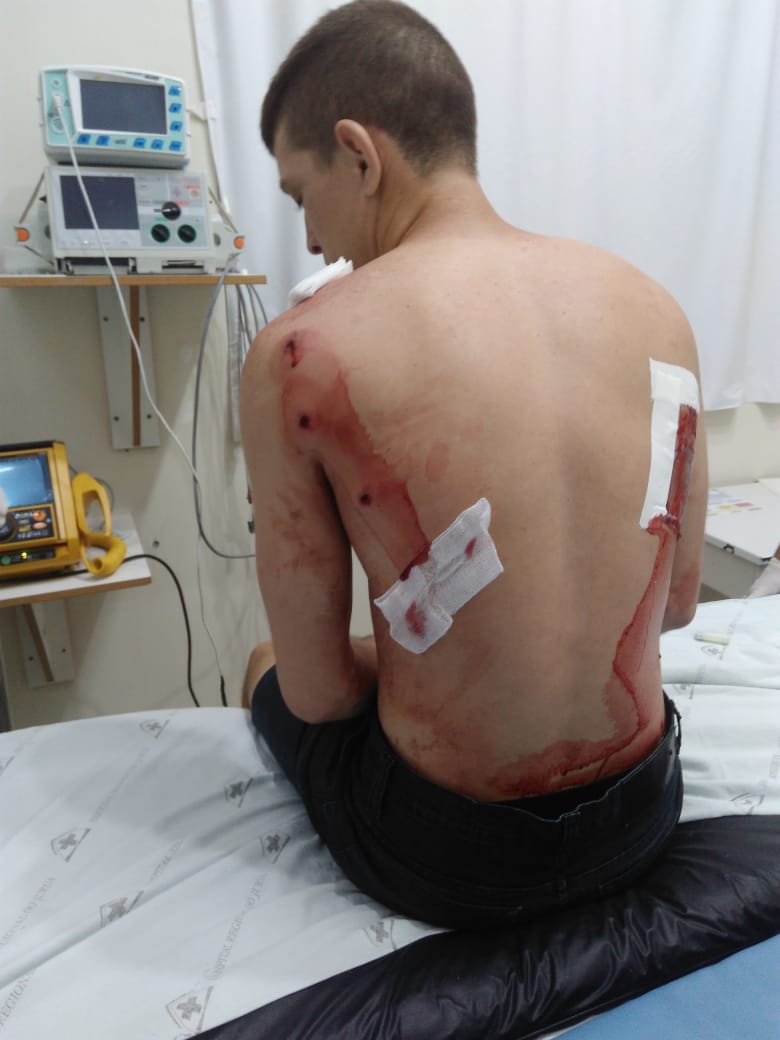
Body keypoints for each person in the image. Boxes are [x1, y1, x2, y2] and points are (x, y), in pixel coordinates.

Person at [239, 0, 708, 929]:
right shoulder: (656, 308)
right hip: (641, 812)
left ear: (359, 153)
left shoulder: (300, 354)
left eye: (300, 195)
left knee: (264, 662)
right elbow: (680, 606)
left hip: (448, 856)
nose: (313, 240)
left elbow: (319, 695)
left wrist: (453, 654)